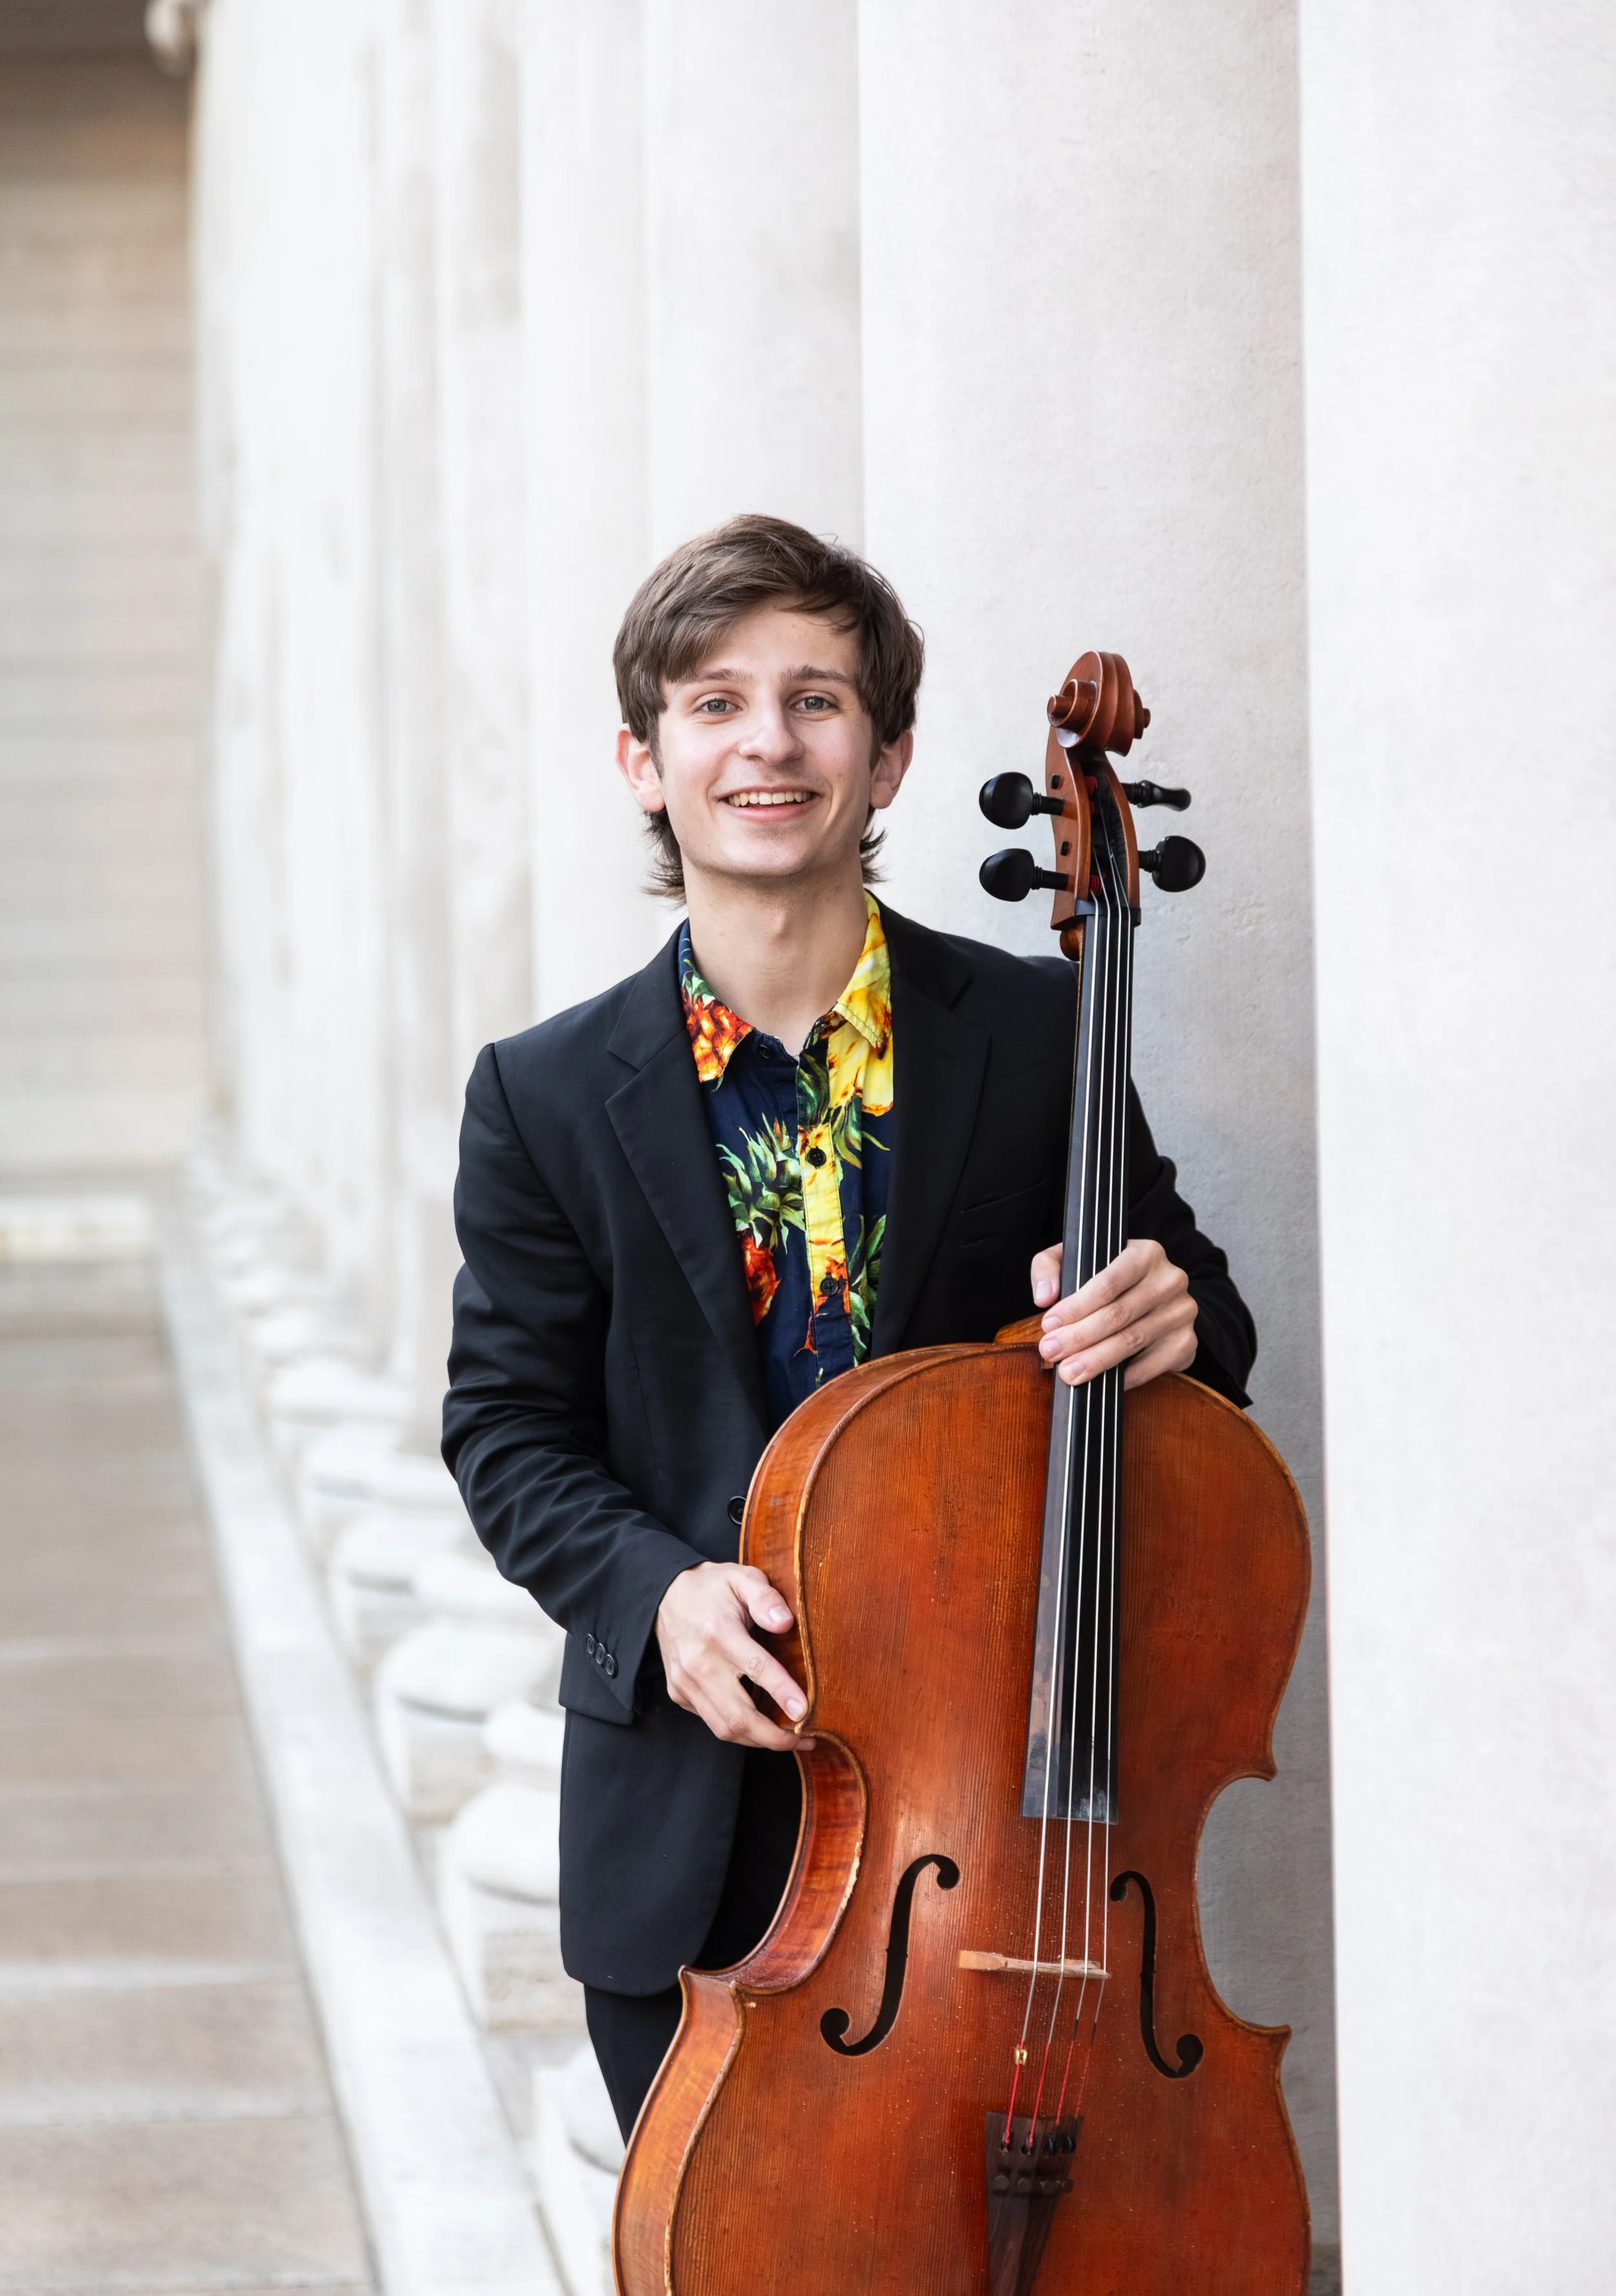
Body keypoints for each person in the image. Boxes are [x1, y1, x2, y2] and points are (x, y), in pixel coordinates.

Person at [441, 513, 1255, 2164]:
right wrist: (655, 1598)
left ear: (884, 760)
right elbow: (505, 1431)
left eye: (814, 701)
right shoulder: (540, 1094)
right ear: (641, 758)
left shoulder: (1038, 1031)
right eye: (715, 703)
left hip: (994, 1812)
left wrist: (1173, 1317)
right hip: (696, 1810)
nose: (767, 742)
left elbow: (1207, 1336)